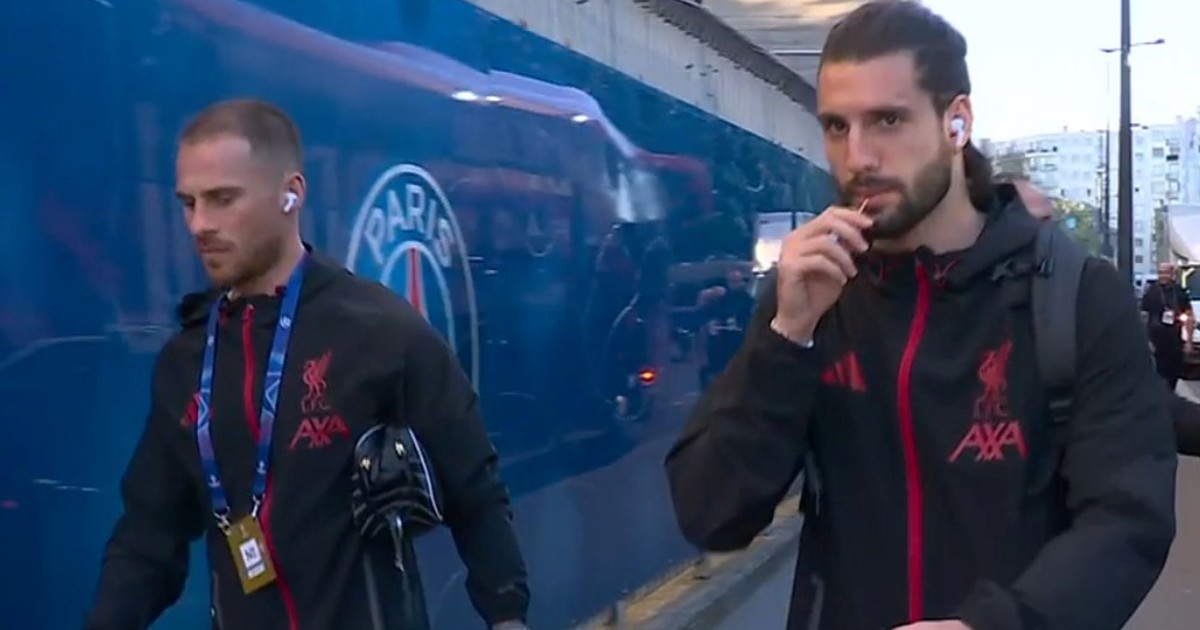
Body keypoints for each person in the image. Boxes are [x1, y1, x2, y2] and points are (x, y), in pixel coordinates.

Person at [664, 3, 1177, 630]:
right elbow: (711, 515)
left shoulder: (1075, 294)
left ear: (956, 122)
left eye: (887, 120)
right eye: (836, 126)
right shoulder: (816, 295)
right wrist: (786, 339)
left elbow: (1126, 520)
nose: (858, 156)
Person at [84, 99, 530, 630]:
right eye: (189, 203)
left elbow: (474, 490)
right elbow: (148, 537)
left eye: (223, 199)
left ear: (291, 193)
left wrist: (507, 614)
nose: (200, 224)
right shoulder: (187, 361)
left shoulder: (380, 332)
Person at [1142, 261, 1194, 391]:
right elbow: (1144, 315)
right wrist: (1145, 339)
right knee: (1157, 375)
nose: (1163, 276)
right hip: (1156, 341)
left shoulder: (1179, 292)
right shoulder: (1151, 291)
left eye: (1165, 273)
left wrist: (1189, 341)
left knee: (1173, 375)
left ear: (1172, 274)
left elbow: (1189, 316)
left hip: (1174, 341)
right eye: (1160, 273)